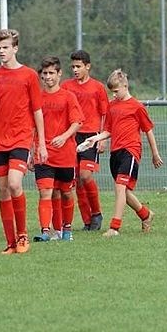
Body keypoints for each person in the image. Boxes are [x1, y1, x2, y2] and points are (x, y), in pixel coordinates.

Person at [0, 28, 48, 254]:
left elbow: (37, 111)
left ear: (15, 48)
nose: (1, 51)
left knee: (15, 184)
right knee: (3, 190)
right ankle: (10, 243)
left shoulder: (29, 75)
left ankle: (22, 235)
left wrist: (41, 143)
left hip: (21, 138)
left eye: (6, 47)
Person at [79, 69, 161, 237]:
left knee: (119, 187)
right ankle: (145, 215)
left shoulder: (137, 107)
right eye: (112, 92)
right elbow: (108, 130)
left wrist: (155, 154)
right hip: (115, 152)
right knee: (124, 191)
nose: (114, 94)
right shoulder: (112, 105)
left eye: (116, 91)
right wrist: (95, 139)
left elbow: (148, 130)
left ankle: (114, 227)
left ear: (125, 86)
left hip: (130, 151)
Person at [33, 56, 83, 242]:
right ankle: (46, 231)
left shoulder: (68, 97)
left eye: (51, 73)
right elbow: (31, 127)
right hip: (43, 153)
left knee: (65, 192)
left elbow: (77, 122)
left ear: (59, 74)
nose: (48, 77)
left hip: (65, 154)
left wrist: (64, 137)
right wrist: (31, 151)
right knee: (46, 191)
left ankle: (66, 228)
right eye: (45, 73)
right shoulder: (36, 98)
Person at [60, 50, 108, 231]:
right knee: (76, 180)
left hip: (91, 137)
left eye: (78, 66)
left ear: (88, 66)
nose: (75, 70)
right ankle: (87, 221)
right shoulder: (66, 86)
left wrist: (102, 138)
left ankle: (96, 213)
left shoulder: (97, 87)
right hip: (72, 136)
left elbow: (105, 113)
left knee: (85, 175)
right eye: (73, 66)